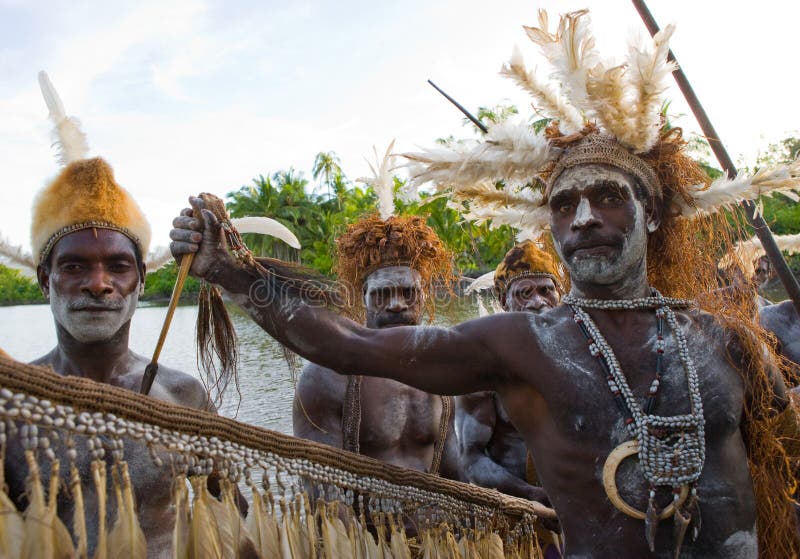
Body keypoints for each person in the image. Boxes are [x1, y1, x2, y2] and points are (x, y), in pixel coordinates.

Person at [171, 11, 800, 557]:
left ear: (653, 212)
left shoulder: (726, 342)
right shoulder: (520, 346)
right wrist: (234, 269)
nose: (582, 218)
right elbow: (345, 346)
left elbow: (787, 460)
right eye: (564, 204)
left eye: (607, 197)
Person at [3, 73, 218, 558]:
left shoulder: (182, 394)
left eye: (118, 267)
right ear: (45, 280)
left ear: (141, 280)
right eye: (74, 265)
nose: (98, 284)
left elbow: (234, 519)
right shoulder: (13, 408)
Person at [292, 212, 463, 482]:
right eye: (382, 293)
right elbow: (322, 489)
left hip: (436, 520)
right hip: (365, 523)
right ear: (364, 297)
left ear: (424, 295)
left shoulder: (439, 370)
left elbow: (452, 465)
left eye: (409, 292)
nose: (396, 304)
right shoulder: (326, 375)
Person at [456, 240, 562, 503]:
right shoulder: (485, 368)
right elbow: (471, 458)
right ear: (504, 301)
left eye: (546, 291)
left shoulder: (582, 356)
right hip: (516, 512)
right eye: (525, 294)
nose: (538, 302)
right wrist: (530, 495)